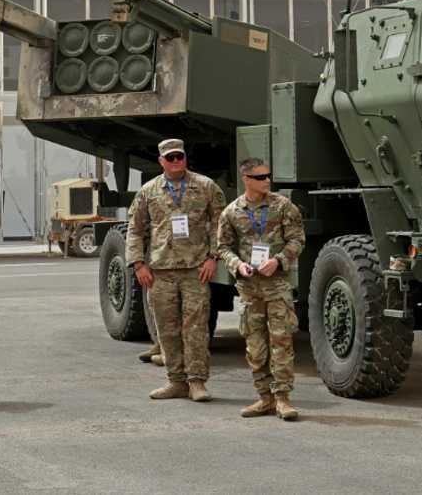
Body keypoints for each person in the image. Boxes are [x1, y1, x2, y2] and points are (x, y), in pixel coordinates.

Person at [126, 139, 224, 402]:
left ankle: (197, 382)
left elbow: (220, 224)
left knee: (196, 328)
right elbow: (135, 229)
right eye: (170, 158)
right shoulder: (148, 191)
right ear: (161, 161)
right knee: (167, 329)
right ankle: (176, 381)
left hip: (195, 269)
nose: (176, 161)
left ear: (185, 158)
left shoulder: (205, 187)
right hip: (161, 270)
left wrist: (213, 257)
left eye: (179, 156)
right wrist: (138, 264)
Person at [215, 158, 305, 421]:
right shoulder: (231, 212)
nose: (266, 180)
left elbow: (298, 239)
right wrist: (237, 265)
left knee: (281, 342)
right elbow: (222, 247)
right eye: (260, 176)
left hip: (277, 286)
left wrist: (278, 260)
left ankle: (283, 399)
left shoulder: (283, 207)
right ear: (246, 179)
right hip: (249, 288)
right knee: (255, 347)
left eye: (268, 175)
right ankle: (264, 398)